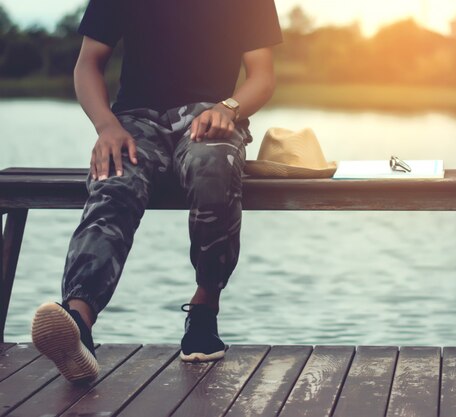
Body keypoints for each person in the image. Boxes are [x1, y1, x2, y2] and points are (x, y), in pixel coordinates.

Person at [30, 0, 282, 383]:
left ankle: (203, 313)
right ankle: (78, 322)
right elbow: (88, 63)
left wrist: (228, 108)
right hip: (134, 122)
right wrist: (105, 126)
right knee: (113, 181)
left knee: (211, 165)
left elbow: (262, 76)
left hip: (207, 117)